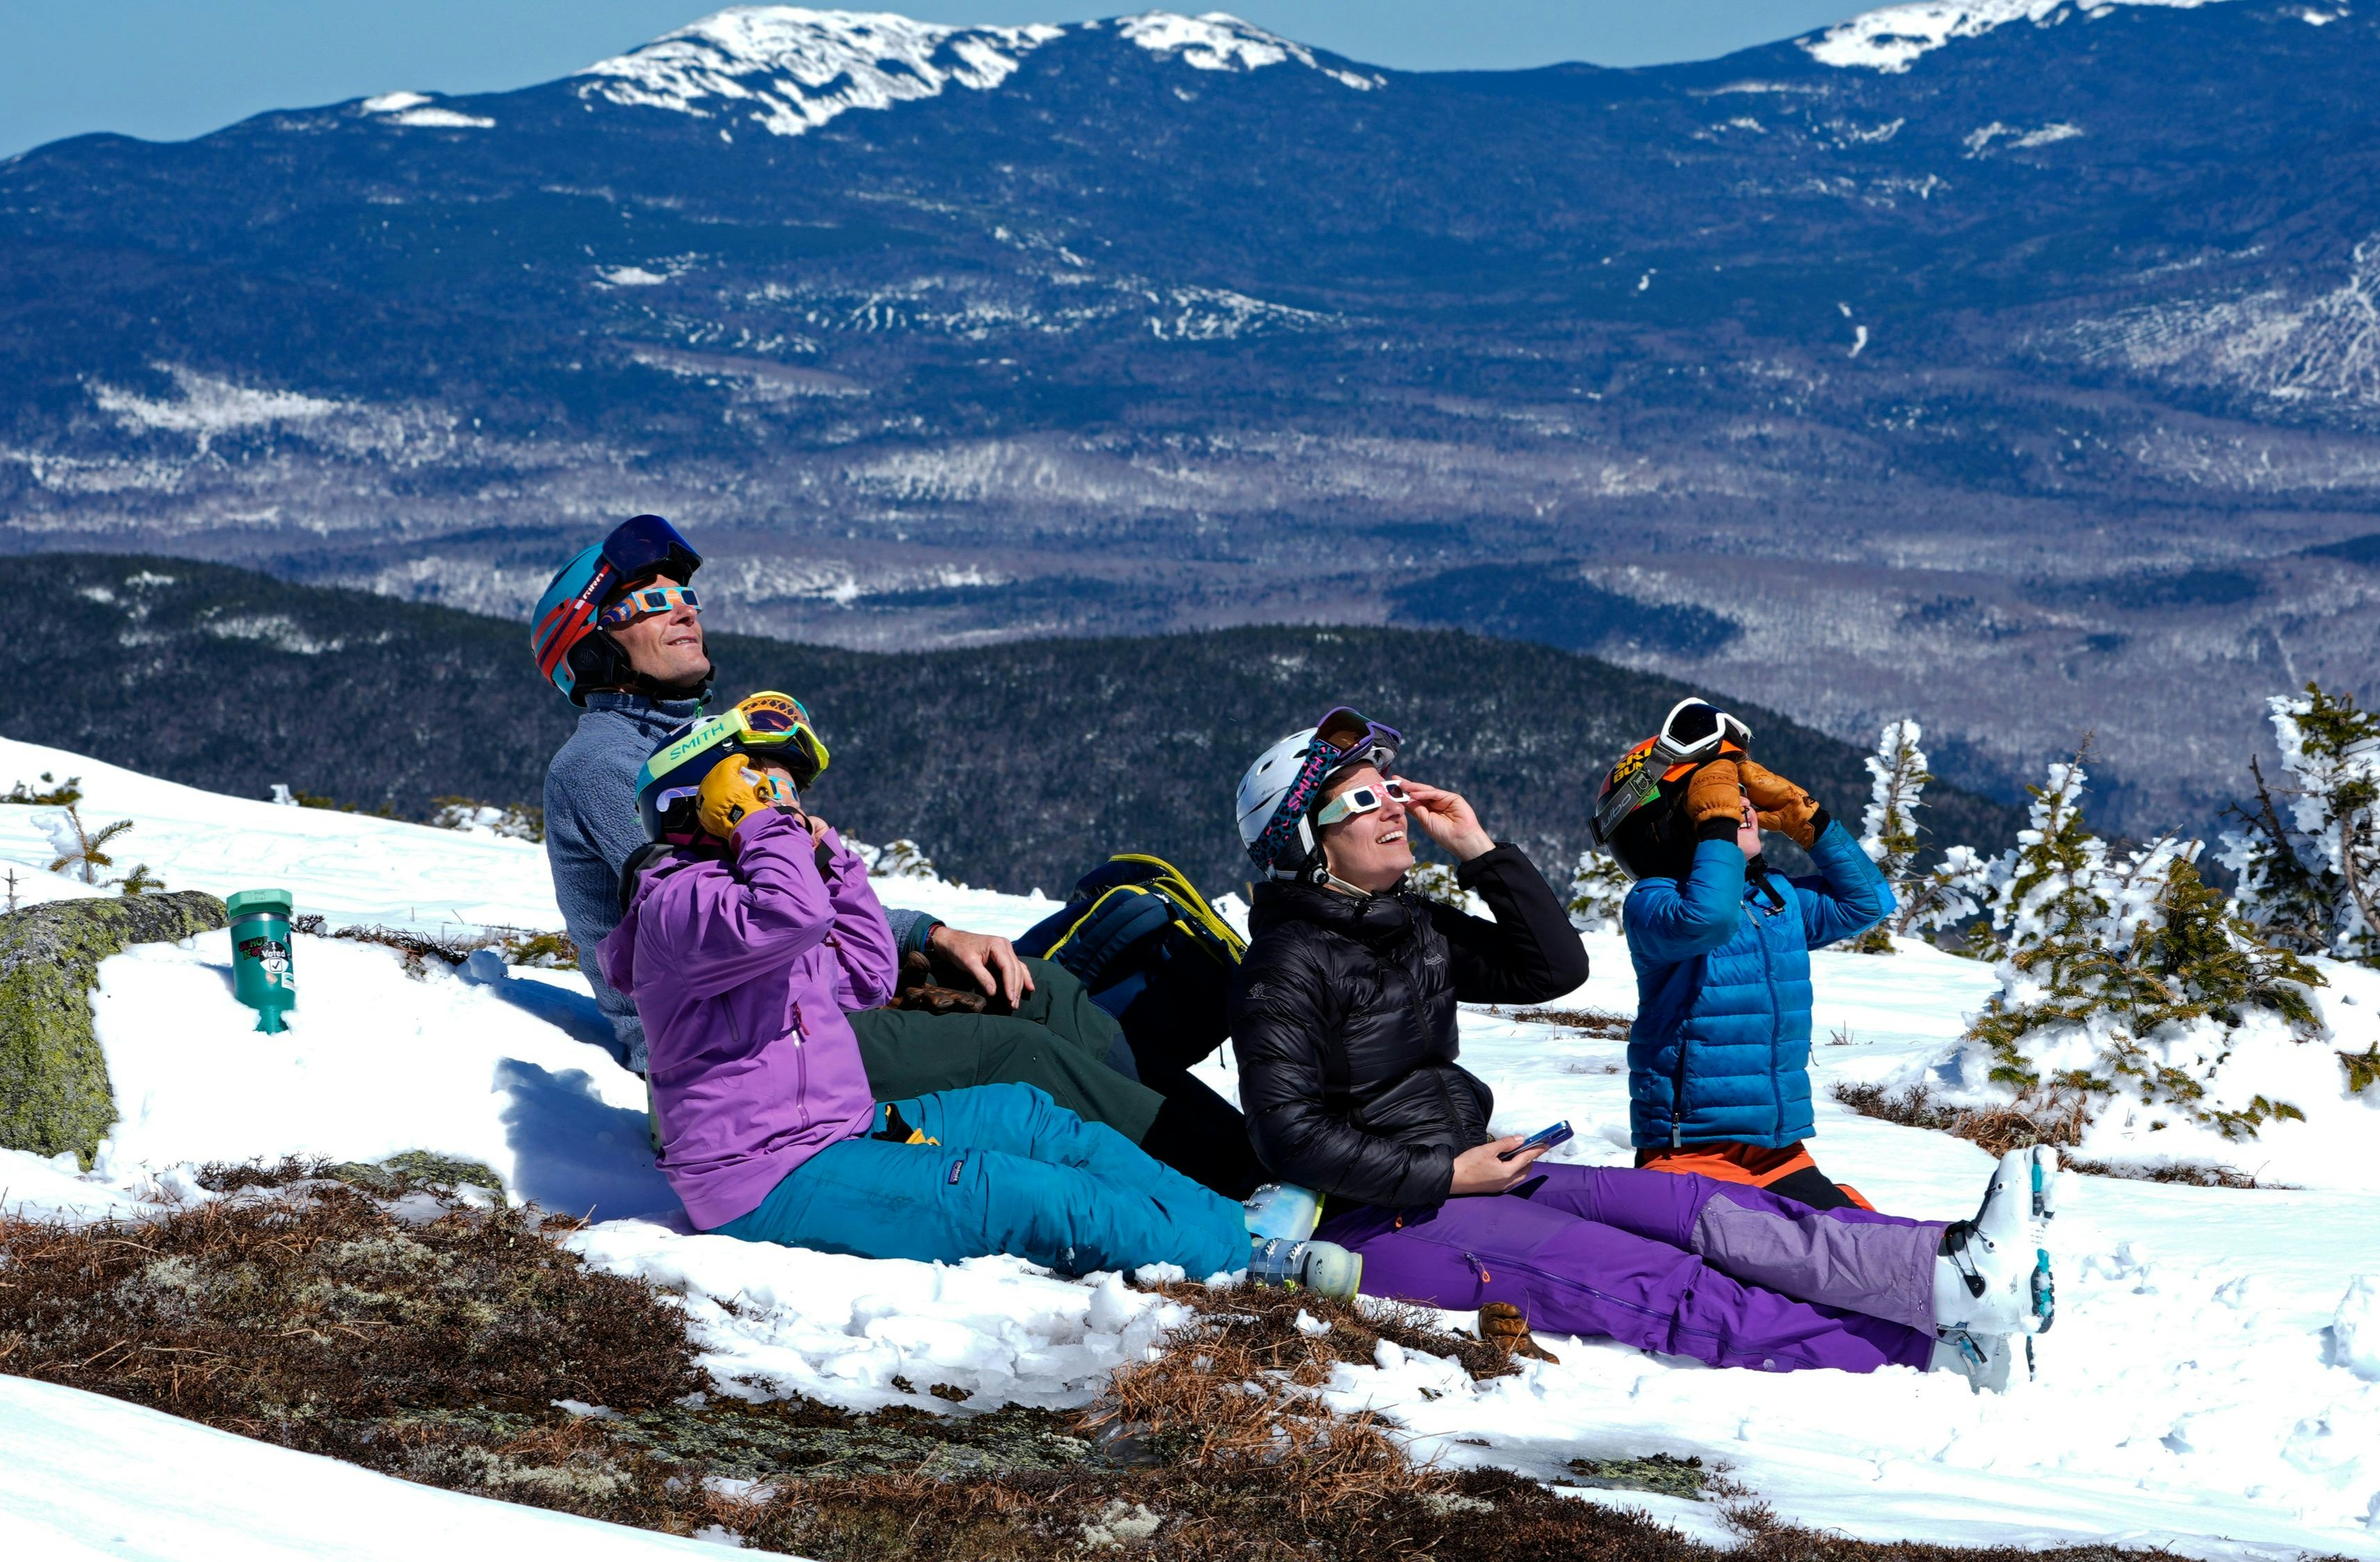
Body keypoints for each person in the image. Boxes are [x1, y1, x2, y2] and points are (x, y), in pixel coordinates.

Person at [1227, 708, 2059, 1388]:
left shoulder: (1405, 925)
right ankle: (1938, 1358)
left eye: (1390, 792)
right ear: (1304, 840)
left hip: (1470, 1171)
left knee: (1705, 1214)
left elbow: (1548, 967)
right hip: (1383, 1216)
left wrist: (1478, 850)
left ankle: (1950, 1275)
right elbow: (1286, 1134)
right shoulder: (1286, 962)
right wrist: (1446, 1175)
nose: (1393, 809)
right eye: (1361, 802)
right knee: (1653, 1280)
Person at [531, 514, 1265, 1196]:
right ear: (593, 648)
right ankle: (1243, 1189)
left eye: (683, 594)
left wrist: (929, 936)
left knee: (1041, 991)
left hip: (801, 996)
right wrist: (908, 938)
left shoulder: (691, 748)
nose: (685, 609)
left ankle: (1251, 1157)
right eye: (647, 604)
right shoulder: (602, 766)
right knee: (1019, 1050)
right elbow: (732, 919)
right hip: (741, 1043)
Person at [600, 698, 1341, 1287]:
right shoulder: (678, 905)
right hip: (764, 1180)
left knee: (1031, 1117)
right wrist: (771, 831)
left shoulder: (746, 895)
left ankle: (1229, 1225)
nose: (788, 803)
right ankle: (1246, 1266)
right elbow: (788, 918)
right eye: (764, 784)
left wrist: (834, 863)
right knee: (1013, 1191)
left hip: (839, 1131)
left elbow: (866, 975)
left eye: (788, 788)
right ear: (703, 801)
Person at [1593, 697, 1891, 1209]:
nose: (1743, 806)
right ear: (1673, 823)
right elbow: (1708, 918)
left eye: (1739, 797)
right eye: (1718, 799)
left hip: (1780, 1149)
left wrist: (1809, 820)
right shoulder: (1653, 903)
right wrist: (1718, 827)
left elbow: (1868, 902)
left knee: (1856, 1243)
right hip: (1689, 1150)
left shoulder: (1774, 900)